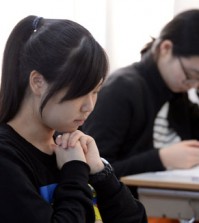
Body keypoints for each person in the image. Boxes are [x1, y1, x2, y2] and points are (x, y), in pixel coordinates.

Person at [0, 15, 147, 223]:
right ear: (38, 82)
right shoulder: (7, 157)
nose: (89, 106)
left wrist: (100, 173)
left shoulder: (71, 148)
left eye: (95, 91)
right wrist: (74, 171)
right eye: (80, 92)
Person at [82, 9, 199, 188]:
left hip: (168, 207)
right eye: (191, 74)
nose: (193, 84)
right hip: (131, 209)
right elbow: (94, 169)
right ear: (166, 48)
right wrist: (161, 159)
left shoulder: (176, 94)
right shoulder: (122, 89)